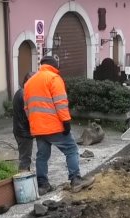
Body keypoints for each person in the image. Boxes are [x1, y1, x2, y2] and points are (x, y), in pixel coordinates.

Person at [24, 56, 93, 196]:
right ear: (53, 66)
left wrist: (35, 125)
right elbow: (61, 103)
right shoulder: (54, 78)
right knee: (71, 150)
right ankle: (75, 180)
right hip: (54, 126)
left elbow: (27, 109)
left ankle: (42, 185)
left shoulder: (29, 83)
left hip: (38, 128)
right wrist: (66, 122)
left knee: (42, 156)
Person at [12, 72, 35, 172]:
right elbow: (29, 116)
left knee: (24, 157)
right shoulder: (25, 95)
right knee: (25, 160)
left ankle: (26, 179)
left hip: (19, 131)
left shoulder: (19, 92)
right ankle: (23, 183)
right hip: (24, 133)